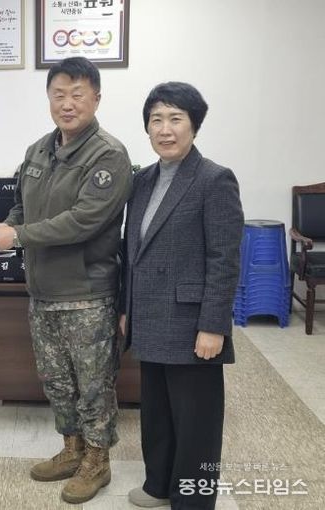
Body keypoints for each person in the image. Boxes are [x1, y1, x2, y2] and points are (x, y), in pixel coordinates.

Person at [0, 56, 132, 505]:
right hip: (42, 291)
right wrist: (3, 227)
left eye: (77, 94)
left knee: (94, 385)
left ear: (96, 99)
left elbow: (83, 220)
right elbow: (22, 207)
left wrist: (19, 235)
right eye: (58, 94)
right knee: (56, 381)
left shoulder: (108, 155)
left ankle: (98, 461)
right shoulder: (38, 150)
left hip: (87, 294)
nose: (67, 104)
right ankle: (72, 449)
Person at [119, 82, 243, 509]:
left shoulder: (214, 179)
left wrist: (214, 325)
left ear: (194, 125)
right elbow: (132, 250)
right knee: (156, 412)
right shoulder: (142, 180)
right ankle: (159, 484)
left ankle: (193, 500)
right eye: (156, 119)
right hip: (150, 316)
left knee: (196, 422)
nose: (164, 129)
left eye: (175, 119)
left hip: (192, 322)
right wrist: (127, 308)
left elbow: (224, 259)